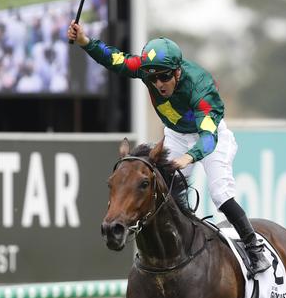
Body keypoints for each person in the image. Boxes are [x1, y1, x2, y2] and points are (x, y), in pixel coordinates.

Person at [67, 22, 271, 276]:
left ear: (177, 72)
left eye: (164, 76)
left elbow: (208, 137)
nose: (159, 84)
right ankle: (175, 244)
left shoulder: (201, 87)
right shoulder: (147, 71)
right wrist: (86, 41)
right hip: (175, 134)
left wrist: (190, 156)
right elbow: (116, 60)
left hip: (209, 135)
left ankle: (254, 248)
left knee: (219, 192)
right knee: (164, 188)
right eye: (152, 78)